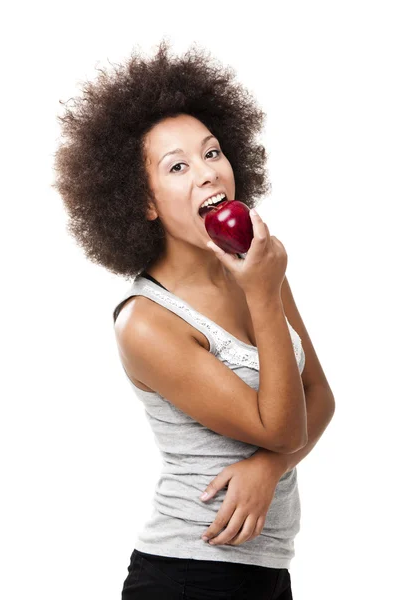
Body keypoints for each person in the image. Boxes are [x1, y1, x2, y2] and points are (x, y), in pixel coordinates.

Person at [53, 38, 335, 599]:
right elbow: (283, 426)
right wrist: (261, 292)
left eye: (211, 153)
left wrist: (270, 468)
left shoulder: (254, 264)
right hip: (190, 571)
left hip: (268, 571)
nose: (207, 174)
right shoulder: (147, 322)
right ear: (144, 201)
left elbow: (319, 398)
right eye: (177, 166)